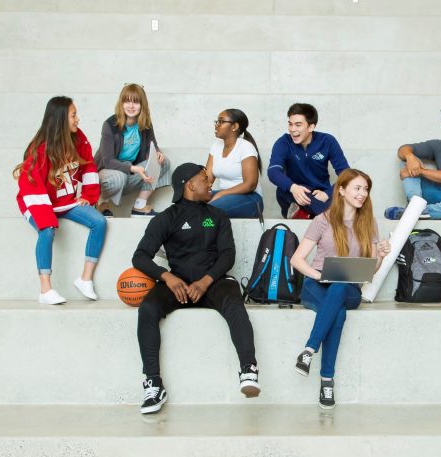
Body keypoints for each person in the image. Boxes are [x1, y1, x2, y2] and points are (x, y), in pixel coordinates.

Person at [132, 163, 260, 414]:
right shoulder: (166, 218)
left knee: (234, 303)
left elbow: (227, 255)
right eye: (205, 179)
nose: (210, 182)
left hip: (213, 283)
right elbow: (140, 257)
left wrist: (206, 280)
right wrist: (167, 277)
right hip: (177, 284)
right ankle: (153, 384)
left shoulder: (218, 216)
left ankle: (249, 369)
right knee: (147, 308)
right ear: (190, 185)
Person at [290, 169, 391, 409]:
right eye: (357, 188)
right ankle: (327, 380)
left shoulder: (369, 223)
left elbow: (371, 271)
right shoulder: (322, 220)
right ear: (342, 190)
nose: (362, 194)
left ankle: (308, 350)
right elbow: (297, 259)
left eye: (366, 189)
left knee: (339, 288)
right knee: (339, 313)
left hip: (349, 289)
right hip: (316, 285)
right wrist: (319, 275)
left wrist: (381, 256)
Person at [13, 96, 107, 305]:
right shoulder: (39, 150)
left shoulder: (79, 139)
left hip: (66, 201)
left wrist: (89, 197)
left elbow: (89, 167)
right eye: (73, 115)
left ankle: (85, 279)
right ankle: (45, 289)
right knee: (47, 230)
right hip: (35, 201)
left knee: (99, 222)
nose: (78, 119)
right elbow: (32, 188)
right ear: (61, 119)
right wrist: (47, 219)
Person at [94, 83, 172, 217]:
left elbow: (152, 145)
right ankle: (101, 203)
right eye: (127, 101)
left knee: (164, 162)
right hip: (109, 173)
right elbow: (108, 161)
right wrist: (133, 168)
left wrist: (158, 154)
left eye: (135, 102)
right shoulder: (110, 125)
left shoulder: (145, 123)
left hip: (129, 174)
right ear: (121, 103)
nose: (130, 106)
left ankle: (139, 206)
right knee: (119, 177)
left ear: (142, 105)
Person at [267, 103, 350, 219]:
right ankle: (326, 215)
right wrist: (293, 187)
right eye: (290, 124)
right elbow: (273, 171)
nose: (292, 129)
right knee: (283, 190)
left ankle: (308, 214)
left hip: (321, 194)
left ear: (311, 127)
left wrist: (328, 193)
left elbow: (347, 175)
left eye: (298, 125)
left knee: (348, 190)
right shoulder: (283, 142)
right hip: (297, 192)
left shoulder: (327, 141)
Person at [204, 108, 264, 218]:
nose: (217, 125)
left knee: (209, 211)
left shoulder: (245, 147)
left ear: (234, 127)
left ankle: (204, 232)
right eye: (217, 121)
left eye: (221, 121)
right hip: (225, 195)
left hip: (250, 198)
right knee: (188, 204)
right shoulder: (216, 145)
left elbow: (250, 184)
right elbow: (207, 179)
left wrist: (222, 194)